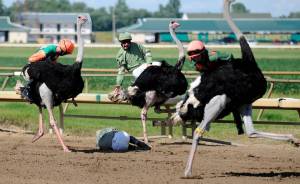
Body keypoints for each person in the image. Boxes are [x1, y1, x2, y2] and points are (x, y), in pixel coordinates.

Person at [111, 32, 152, 100]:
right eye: (124, 42)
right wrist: (118, 85)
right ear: (121, 43)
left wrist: (149, 63)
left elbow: (147, 51)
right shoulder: (120, 55)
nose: (126, 44)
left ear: (130, 41)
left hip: (145, 66)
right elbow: (121, 71)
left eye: (128, 42)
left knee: (157, 65)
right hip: (135, 71)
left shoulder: (137, 46)